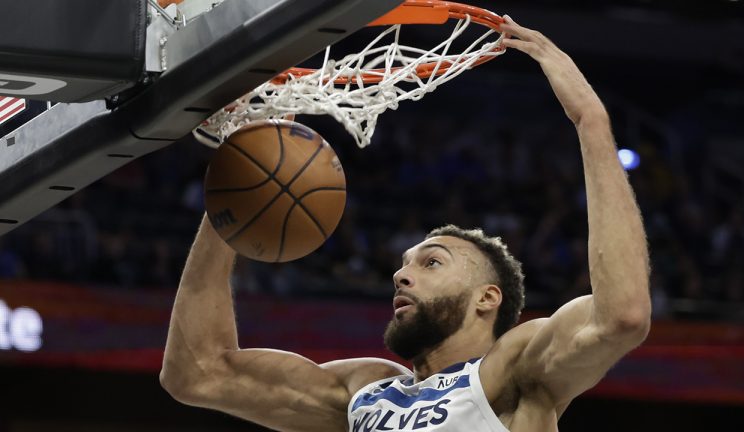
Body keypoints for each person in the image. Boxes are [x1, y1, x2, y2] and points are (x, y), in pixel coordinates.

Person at [160, 17, 651, 432]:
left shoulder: (514, 372)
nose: (401, 274)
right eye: (405, 264)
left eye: (431, 262)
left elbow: (622, 316)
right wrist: (233, 201)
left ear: (487, 298)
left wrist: (590, 121)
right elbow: (197, 374)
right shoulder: (365, 390)